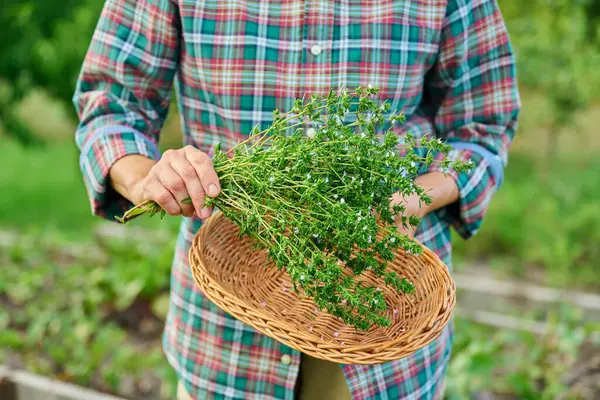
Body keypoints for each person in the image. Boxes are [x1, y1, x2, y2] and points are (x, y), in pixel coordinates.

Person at [73, 0, 520, 398]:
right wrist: (152, 179)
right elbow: (112, 106)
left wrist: (414, 197)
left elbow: (483, 125)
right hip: (226, 337)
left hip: (384, 331)